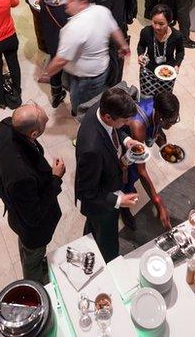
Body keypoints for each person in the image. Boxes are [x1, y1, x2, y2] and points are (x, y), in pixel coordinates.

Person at [0, 103, 64, 284]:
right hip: (33, 230)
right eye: (43, 123)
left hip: (17, 200)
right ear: (33, 134)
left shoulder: (5, 125)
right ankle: (35, 285)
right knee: (32, 257)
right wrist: (56, 178)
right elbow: (33, 215)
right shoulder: (22, 176)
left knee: (27, 250)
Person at [74, 87, 143, 261]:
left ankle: (87, 240)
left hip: (108, 177)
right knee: (108, 240)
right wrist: (119, 200)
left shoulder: (102, 106)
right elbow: (87, 192)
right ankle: (109, 264)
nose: (128, 123)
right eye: (125, 120)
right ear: (108, 117)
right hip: (102, 201)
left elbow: (115, 129)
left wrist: (126, 140)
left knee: (93, 227)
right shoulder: (92, 149)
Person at [38, 0, 130, 115]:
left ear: (82, 2)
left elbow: (60, 60)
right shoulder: (101, 10)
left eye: (70, 1)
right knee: (98, 99)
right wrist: (123, 46)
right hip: (102, 70)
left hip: (86, 80)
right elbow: (115, 30)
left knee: (82, 107)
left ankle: (84, 120)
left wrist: (48, 73)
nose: (66, 3)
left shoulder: (74, 27)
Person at [123, 91, 178, 230]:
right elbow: (141, 171)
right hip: (125, 148)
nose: (172, 124)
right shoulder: (138, 127)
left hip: (139, 140)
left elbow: (157, 130)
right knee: (130, 175)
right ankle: (124, 208)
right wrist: (158, 202)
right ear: (160, 116)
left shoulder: (158, 106)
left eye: (175, 119)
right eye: (170, 121)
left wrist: (164, 146)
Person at [36, 0, 71, 107]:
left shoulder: (44, 3)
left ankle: (56, 95)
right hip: (65, 45)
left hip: (51, 42)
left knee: (55, 70)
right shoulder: (66, 7)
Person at [137, 4, 185, 97]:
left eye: (161, 24)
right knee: (146, 99)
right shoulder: (146, 32)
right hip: (148, 71)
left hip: (168, 73)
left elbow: (180, 51)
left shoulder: (177, 36)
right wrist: (140, 55)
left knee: (164, 100)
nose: (157, 27)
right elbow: (141, 45)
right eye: (154, 22)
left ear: (169, 22)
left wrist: (177, 65)